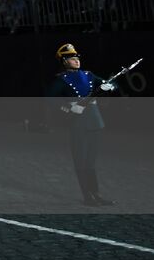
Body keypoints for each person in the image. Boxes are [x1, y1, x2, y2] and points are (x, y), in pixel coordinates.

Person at [46, 43, 116, 206]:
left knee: (90, 163)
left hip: (95, 121)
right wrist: (68, 108)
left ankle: (96, 194)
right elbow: (50, 99)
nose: (76, 60)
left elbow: (111, 85)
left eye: (76, 57)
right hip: (78, 123)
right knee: (81, 161)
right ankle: (87, 196)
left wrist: (109, 87)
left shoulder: (89, 75)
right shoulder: (61, 80)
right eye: (72, 58)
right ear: (64, 62)